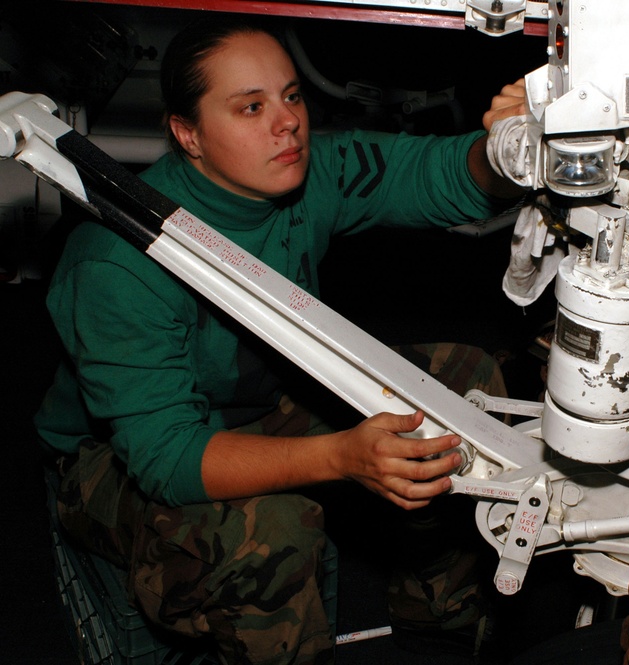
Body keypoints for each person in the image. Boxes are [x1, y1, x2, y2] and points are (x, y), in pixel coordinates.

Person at [34, 14, 528, 665]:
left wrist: (506, 146)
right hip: (112, 456)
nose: (287, 121)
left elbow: (439, 175)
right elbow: (169, 457)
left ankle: (437, 624)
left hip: (256, 400)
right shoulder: (115, 260)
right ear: (189, 134)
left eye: (291, 96)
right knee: (275, 530)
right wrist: (343, 457)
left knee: (465, 392)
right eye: (250, 107)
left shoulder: (307, 172)